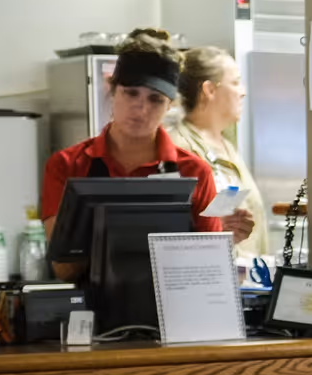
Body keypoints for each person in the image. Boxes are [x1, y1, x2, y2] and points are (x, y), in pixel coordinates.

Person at [41, 28, 256, 277]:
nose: (141, 109)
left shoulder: (193, 172)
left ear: (169, 105)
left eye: (155, 99)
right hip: (92, 311)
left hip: (170, 311)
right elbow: (64, 268)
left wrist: (221, 241)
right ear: (111, 89)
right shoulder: (67, 165)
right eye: (131, 93)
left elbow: (204, 271)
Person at [168, 47, 270, 258]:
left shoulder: (228, 147)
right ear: (209, 90)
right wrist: (212, 229)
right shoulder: (179, 148)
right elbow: (168, 231)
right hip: (210, 281)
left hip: (250, 283)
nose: (243, 91)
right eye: (235, 82)